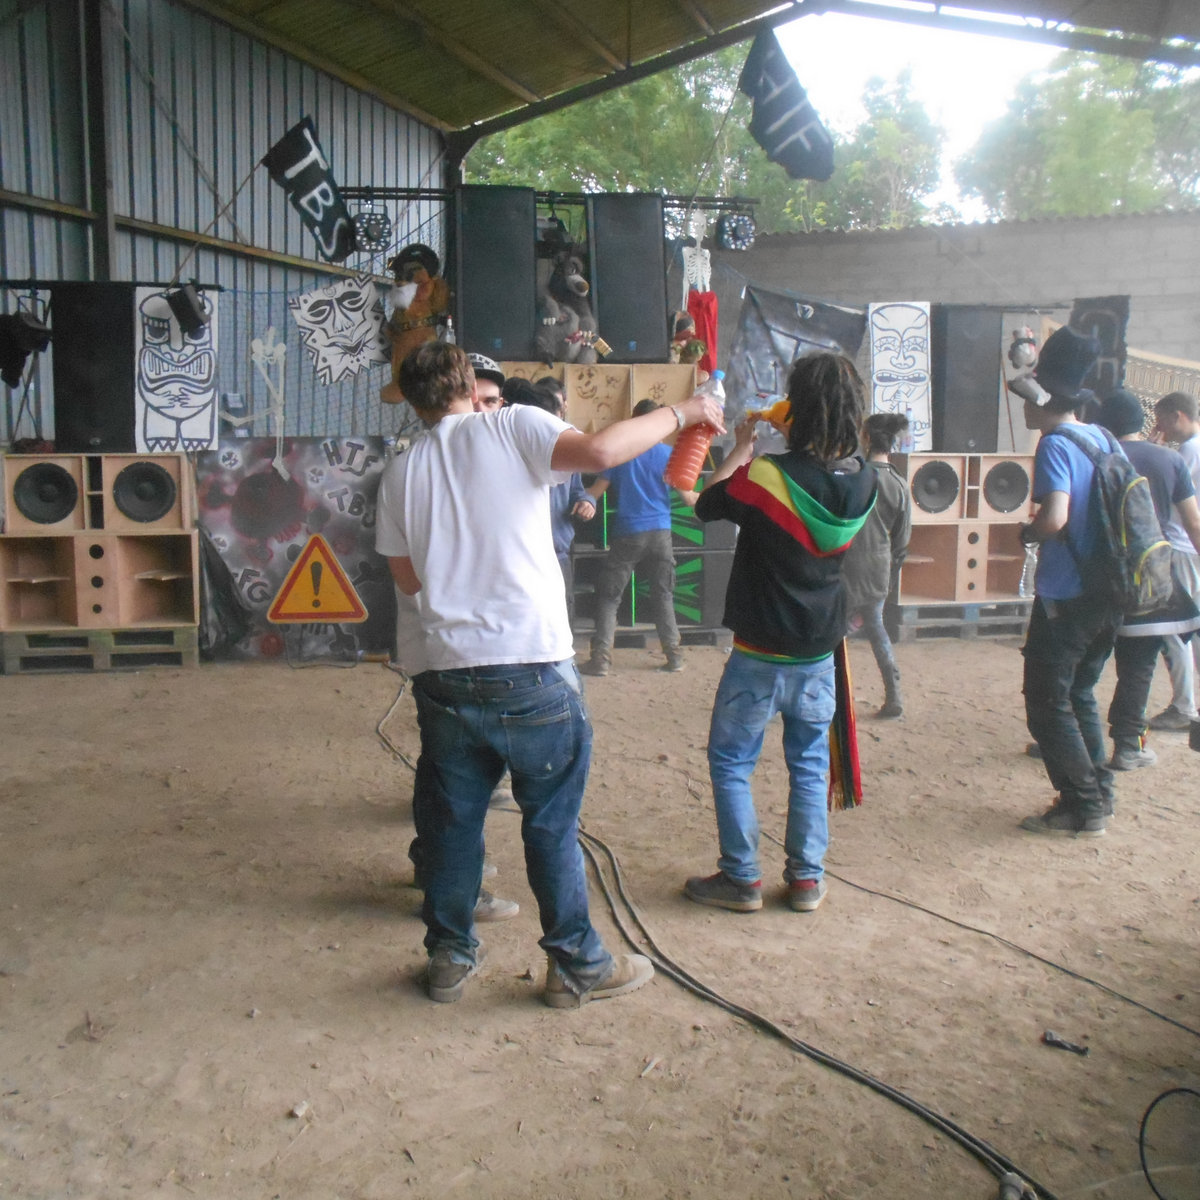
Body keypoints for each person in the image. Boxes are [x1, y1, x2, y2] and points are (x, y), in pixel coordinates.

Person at [375, 340, 724, 1005]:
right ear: (468, 384)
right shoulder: (514, 426)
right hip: (531, 664)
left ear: (414, 403)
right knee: (550, 824)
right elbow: (602, 452)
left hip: (446, 670)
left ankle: (449, 957)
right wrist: (685, 412)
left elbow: (407, 579)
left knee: (453, 827)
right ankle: (575, 964)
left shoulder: (401, 470)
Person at [682, 352, 877, 915]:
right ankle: (806, 880)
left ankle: (741, 877)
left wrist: (742, 448)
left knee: (731, 762)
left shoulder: (770, 476)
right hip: (819, 649)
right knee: (810, 764)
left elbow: (707, 504)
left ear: (800, 407)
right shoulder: (865, 478)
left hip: (760, 651)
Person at [1015, 326, 1119, 838]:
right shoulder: (1102, 438)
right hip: (1109, 590)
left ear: (1042, 397)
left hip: (1066, 596)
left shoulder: (1055, 444)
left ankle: (1082, 805)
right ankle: (1100, 791)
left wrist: (1028, 533)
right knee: (1079, 694)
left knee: (1046, 703)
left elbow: (1055, 516)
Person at [1095, 389, 1200, 769]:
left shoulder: (1097, 457)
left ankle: (1069, 738)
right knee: (1138, 666)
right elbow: (1193, 522)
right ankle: (1128, 746)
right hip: (1151, 576)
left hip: (1096, 575)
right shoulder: (1170, 459)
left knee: (1081, 663)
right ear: (1142, 422)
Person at [579, 399, 699, 676]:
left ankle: (601, 660)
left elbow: (596, 491)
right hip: (661, 533)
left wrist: (579, 498)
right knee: (663, 595)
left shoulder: (620, 454)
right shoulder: (669, 455)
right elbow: (689, 498)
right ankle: (674, 656)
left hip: (628, 533)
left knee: (610, 598)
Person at [505, 377, 596, 622]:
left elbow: (577, 490)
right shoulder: (513, 450)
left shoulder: (568, 448)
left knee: (562, 620)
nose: (557, 415)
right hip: (522, 557)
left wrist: (588, 501)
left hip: (558, 554)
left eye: (559, 408)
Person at [841, 412, 911, 719]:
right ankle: (894, 695)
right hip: (880, 567)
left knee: (832, 628)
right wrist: (891, 573)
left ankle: (819, 694)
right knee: (876, 626)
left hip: (846, 565)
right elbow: (902, 541)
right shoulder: (899, 484)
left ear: (866, 438)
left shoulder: (852, 476)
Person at [1147, 390, 1200, 732]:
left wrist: (1155, 452)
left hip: (1182, 546)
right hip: (1191, 546)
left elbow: (1170, 497)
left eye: (1162, 420)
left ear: (1178, 415)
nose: (1160, 427)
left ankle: (1183, 706)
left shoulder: (1188, 452)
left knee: (1176, 630)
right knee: (1192, 627)